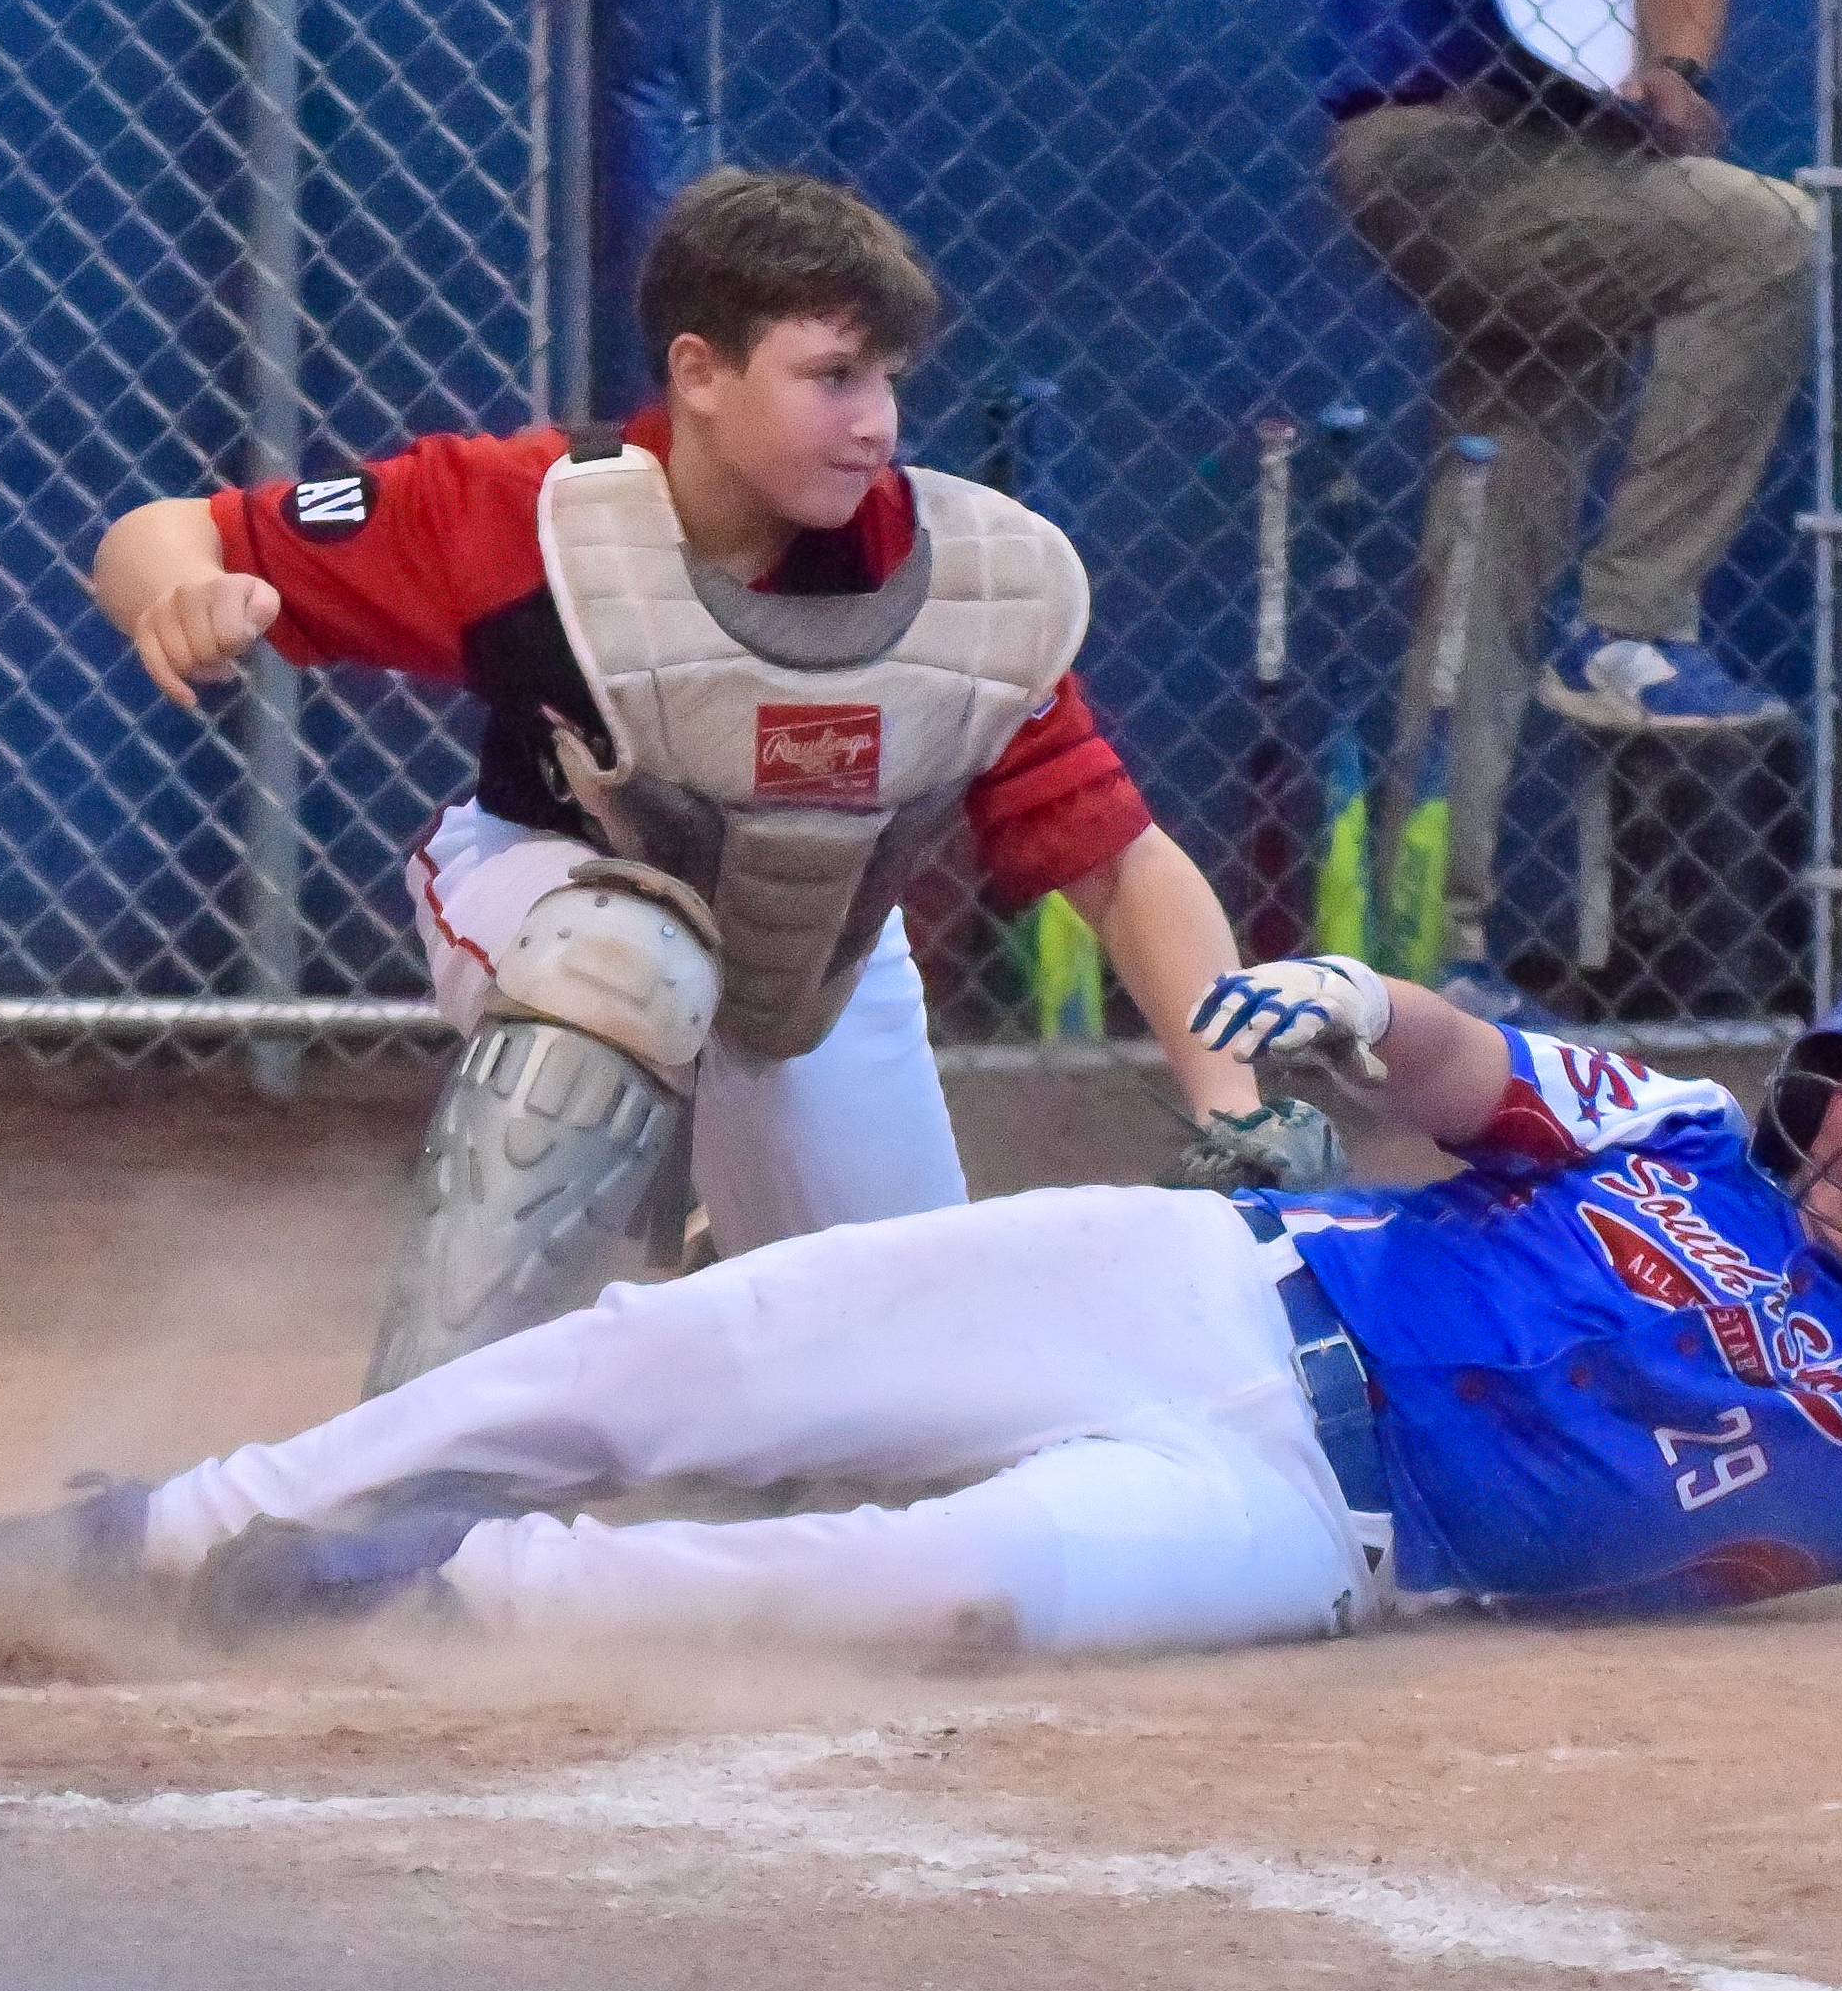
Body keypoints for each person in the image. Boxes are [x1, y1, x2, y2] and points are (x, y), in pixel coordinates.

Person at [0, 931, 1842, 1670]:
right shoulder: (1677, 1136)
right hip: (1203, 1288)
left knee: (933, 1596)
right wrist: (1352, 1012)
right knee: (704, 1350)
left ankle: (411, 1603)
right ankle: (168, 1529)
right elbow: (1466, 1070)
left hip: (1307, 1529)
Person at [92, 169, 1333, 1397]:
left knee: (917, 1395)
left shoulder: (945, 587)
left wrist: (1233, 1101)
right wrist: (182, 592)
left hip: (816, 956)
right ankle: (419, 1454)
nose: (877, 424)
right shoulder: (532, 514)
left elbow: (1122, 863)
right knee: (626, 956)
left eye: (889, 380)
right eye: (831, 377)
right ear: (699, 373)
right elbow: (166, 530)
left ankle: (720, 1295)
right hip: (548, 883)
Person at [1310, 0, 1818, 1021]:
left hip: (1579, 146)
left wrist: (1674, 73)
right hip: (1440, 142)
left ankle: (1427, 942)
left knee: (1487, 546)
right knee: (1768, 234)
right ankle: (1630, 623)